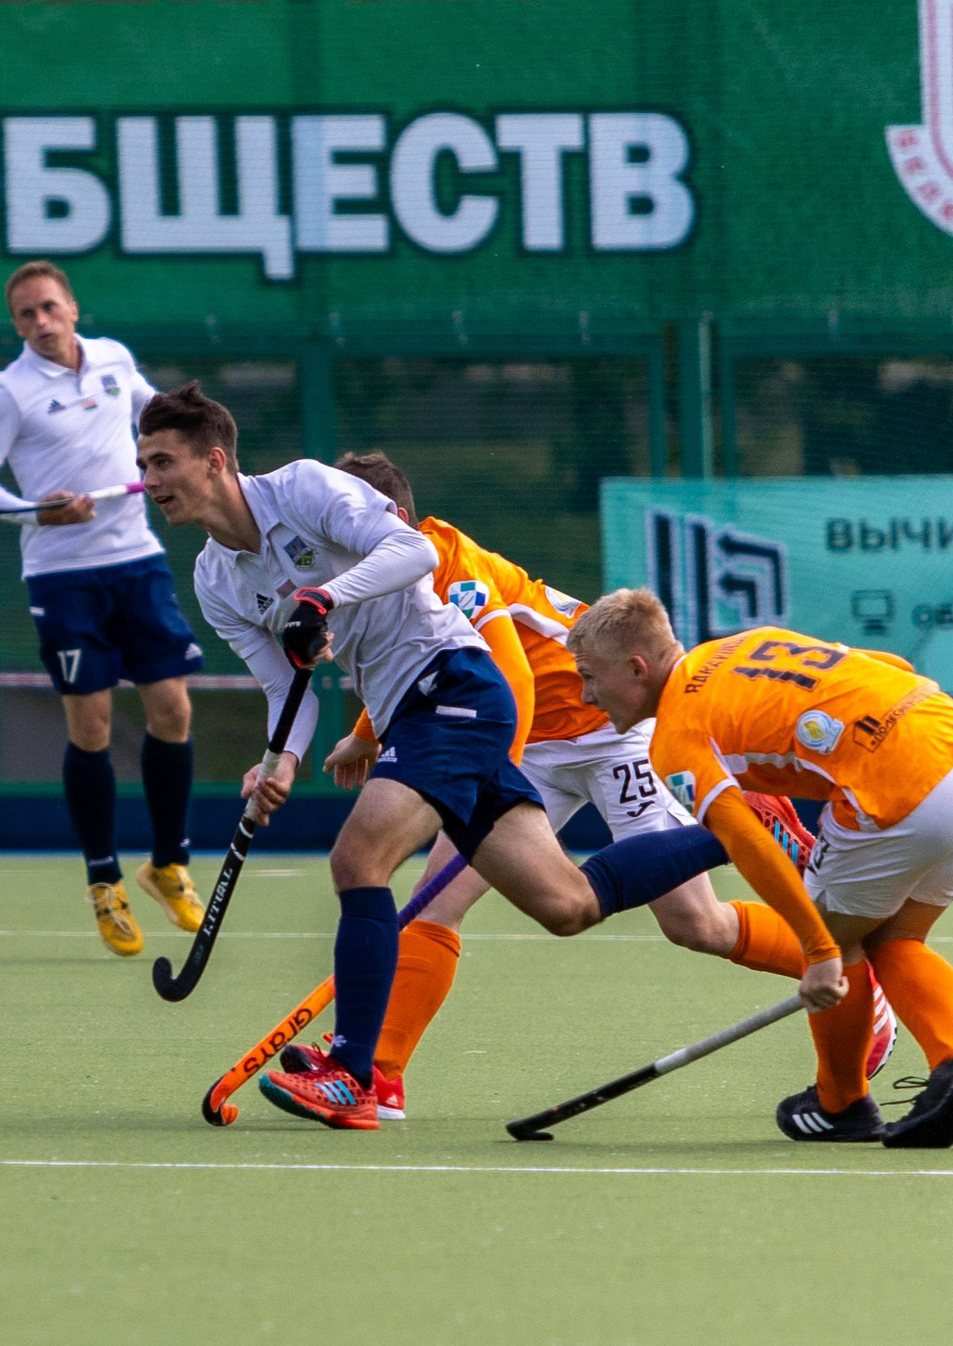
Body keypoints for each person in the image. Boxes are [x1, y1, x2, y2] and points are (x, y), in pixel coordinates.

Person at [132, 384, 837, 1131]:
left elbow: (413, 551)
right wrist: (280, 759)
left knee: (358, 859)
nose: (149, 480)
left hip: (454, 688)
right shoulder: (215, 578)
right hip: (416, 712)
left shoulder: (303, 488)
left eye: (162, 462)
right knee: (567, 905)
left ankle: (356, 1074)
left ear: (215, 461)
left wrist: (325, 597)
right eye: (143, 465)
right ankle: (737, 826)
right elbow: (288, 685)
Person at [302, 453, 895, 1119]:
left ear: (393, 517)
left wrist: (487, 770)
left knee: (694, 923)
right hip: (528, 743)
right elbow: (416, 663)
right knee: (436, 903)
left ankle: (853, 982)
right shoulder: (371, 573)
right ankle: (378, 1075)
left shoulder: (445, 561)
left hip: (607, 724)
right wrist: (367, 732)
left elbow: (510, 675)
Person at [571, 591, 953, 1147]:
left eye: (589, 677)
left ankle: (841, 1104)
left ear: (637, 668)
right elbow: (890, 665)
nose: (586, 696)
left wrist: (819, 951)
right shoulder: (745, 644)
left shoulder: (676, 737)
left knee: (837, 941)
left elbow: (747, 840)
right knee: (896, 939)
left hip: (899, 786)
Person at [0, 262, 205, 957]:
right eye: (26, 313)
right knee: (91, 724)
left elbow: (157, 420)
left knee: (173, 710)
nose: (40, 321)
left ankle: (169, 864)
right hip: (63, 576)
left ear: (72, 308)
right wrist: (36, 510)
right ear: (16, 325)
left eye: (49, 307)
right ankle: (104, 880)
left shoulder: (114, 359)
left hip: (137, 560)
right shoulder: (7, 391)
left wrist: (187, 447)